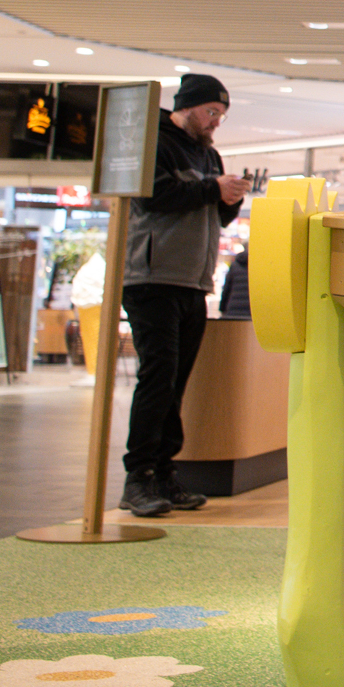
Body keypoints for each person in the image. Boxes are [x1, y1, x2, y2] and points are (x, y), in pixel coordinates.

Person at [118, 72, 248, 517]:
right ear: (187, 107)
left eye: (221, 116)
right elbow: (153, 196)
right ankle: (138, 476)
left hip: (194, 283)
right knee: (157, 378)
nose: (215, 122)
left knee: (175, 382)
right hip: (151, 280)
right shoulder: (154, 143)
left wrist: (228, 197)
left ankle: (164, 469)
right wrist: (213, 188)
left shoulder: (209, 154)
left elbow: (216, 217)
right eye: (211, 112)